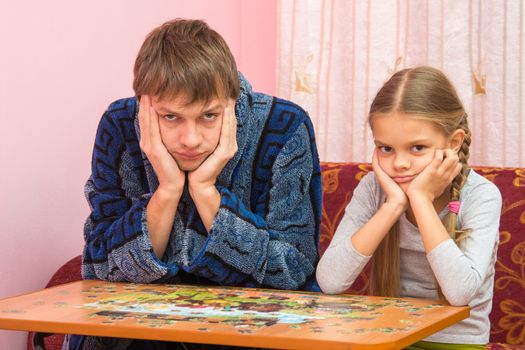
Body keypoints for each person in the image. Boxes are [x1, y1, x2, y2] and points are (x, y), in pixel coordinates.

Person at [64, 18, 322, 350]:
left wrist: (206, 192)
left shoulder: (286, 126)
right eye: (170, 117)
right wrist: (167, 191)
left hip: (253, 328)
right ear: (145, 105)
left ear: (231, 103)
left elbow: (294, 270)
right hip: (141, 328)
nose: (191, 139)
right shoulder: (119, 125)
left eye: (209, 116)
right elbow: (98, 268)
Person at [316, 66, 502, 349]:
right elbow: (330, 281)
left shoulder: (481, 195)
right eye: (386, 148)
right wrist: (393, 206)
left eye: (417, 148)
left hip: (457, 343)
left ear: (453, 143)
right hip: (388, 339)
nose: (399, 164)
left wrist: (421, 200)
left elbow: (460, 292)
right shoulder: (374, 189)